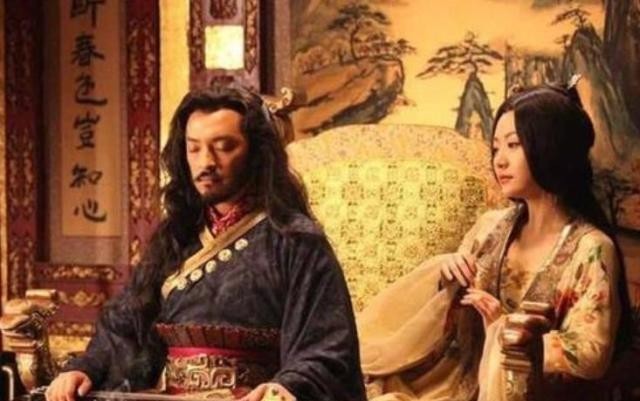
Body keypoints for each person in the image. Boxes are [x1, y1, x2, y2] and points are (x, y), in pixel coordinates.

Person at [45, 86, 366, 401]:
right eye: (194, 148)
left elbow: (326, 350)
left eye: (224, 147)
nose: (206, 162)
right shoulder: (177, 236)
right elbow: (125, 328)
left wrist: (287, 387)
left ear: (257, 152)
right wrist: (86, 369)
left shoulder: (296, 241)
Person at [357, 80, 633, 401]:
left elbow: (591, 353)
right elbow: (451, 316)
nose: (500, 160)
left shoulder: (591, 248)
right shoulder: (490, 227)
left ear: (550, 146)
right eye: (496, 148)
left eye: (513, 145)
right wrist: (448, 276)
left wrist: (505, 330)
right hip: (457, 378)